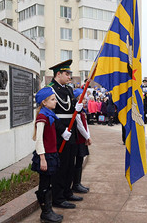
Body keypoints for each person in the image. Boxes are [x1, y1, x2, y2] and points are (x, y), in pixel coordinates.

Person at [47, 59, 84, 209]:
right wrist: (62, 131)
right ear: (58, 74)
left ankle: (68, 192)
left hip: (71, 131)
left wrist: (78, 107)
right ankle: (58, 197)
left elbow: (72, 109)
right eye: (67, 73)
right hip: (59, 132)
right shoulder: (49, 90)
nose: (70, 76)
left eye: (70, 74)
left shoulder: (68, 89)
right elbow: (50, 114)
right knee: (61, 166)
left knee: (70, 164)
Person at [32, 87, 63, 223]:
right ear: (44, 102)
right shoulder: (42, 117)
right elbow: (39, 139)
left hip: (51, 154)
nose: (55, 101)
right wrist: (43, 158)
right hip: (45, 156)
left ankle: (48, 210)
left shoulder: (50, 115)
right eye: (52, 99)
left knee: (49, 183)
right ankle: (45, 213)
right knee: (44, 184)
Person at [72, 88, 91, 194]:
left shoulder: (82, 111)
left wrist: (88, 136)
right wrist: (87, 137)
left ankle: (78, 182)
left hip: (83, 139)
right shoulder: (77, 111)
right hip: (78, 140)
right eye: (83, 98)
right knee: (77, 162)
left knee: (80, 161)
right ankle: (75, 184)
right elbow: (80, 126)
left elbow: (86, 125)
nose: (85, 100)